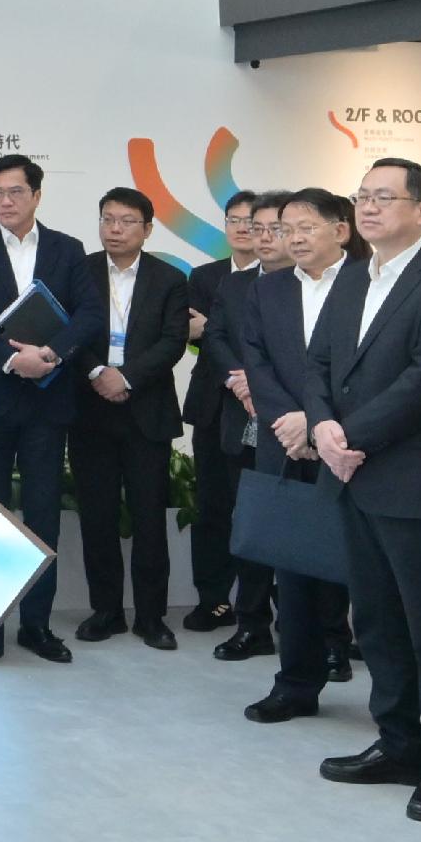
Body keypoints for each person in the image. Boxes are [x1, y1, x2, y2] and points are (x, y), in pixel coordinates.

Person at [300, 159, 421, 818]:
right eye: (364, 196)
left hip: (416, 479)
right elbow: (318, 359)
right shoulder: (354, 275)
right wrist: (323, 423)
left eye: (386, 196)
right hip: (353, 476)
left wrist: (350, 436)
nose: (371, 207)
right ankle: (397, 740)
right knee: (377, 623)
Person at [0, 152, 90, 662]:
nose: (4, 202)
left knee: (42, 515)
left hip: (47, 403)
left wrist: (49, 356)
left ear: (36, 194)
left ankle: (36, 624)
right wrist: (12, 363)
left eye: (14, 192)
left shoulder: (67, 249)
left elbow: (87, 313)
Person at [239, 189, 363, 718]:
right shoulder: (267, 290)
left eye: (305, 227)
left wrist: (323, 425)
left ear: (341, 230)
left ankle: (378, 682)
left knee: (358, 560)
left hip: (352, 444)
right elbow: (257, 364)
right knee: (292, 568)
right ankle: (296, 682)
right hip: (285, 441)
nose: (292, 238)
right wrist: (292, 423)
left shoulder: (367, 283)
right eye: (286, 228)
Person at [67, 185, 191, 649]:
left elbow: (172, 341)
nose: (114, 229)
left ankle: (152, 617)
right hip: (90, 410)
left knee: (148, 518)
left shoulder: (168, 278)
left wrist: (127, 377)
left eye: (126, 221)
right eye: (107, 219)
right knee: (96, 517)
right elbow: (67, 331)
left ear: (148, 228)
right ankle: (106, 612)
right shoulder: (78, 273)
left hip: (147, 412)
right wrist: (99, 372)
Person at [185, 195, 278, 647]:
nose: (258, 235)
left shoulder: (324, 284)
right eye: (248, 225)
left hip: (298, 422)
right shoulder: (228, 283)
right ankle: (245, 616)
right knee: (237, 514)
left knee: (294, 521)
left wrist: (258, 383)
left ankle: (325, 634)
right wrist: (241, 382)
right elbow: (215, 335)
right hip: (233, 414)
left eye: (267, 227)